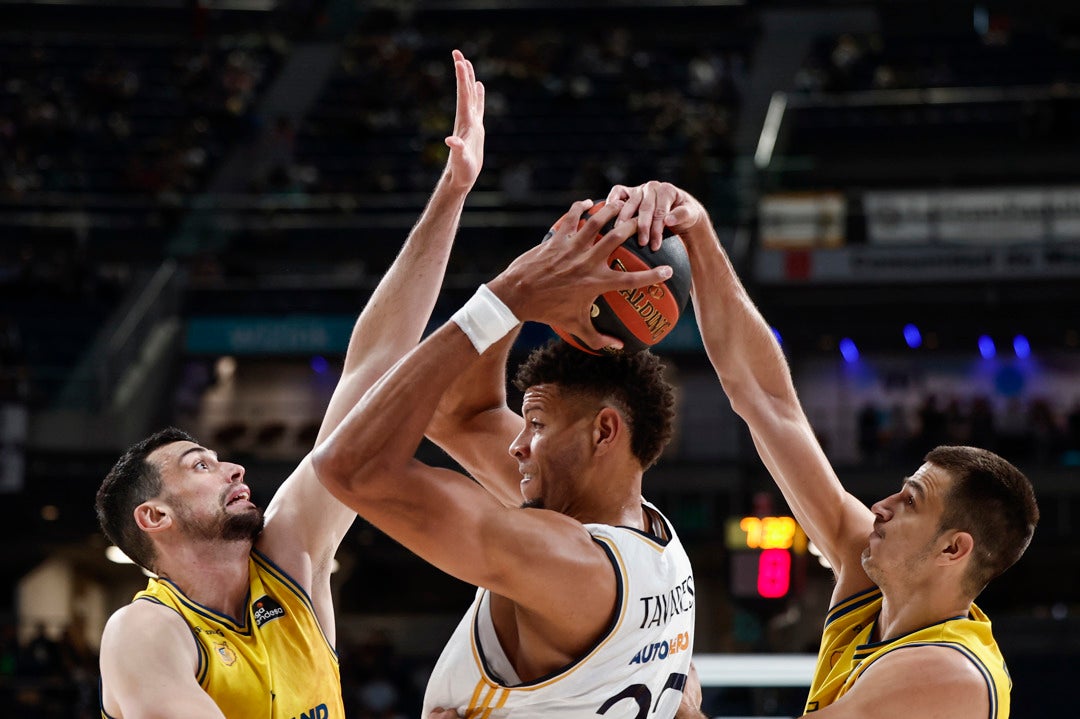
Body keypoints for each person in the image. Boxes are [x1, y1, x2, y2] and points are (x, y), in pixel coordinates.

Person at [94, 49, 486, 719]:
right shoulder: (144, 632)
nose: (232, 466)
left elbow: (370, 370)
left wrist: (452, 193)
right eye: (200, 465)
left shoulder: (291, 552)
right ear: (154, 516)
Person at [606, 181, 1040, 718]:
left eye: (911, 501)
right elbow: (764, 397)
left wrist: (678, 701)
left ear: (954, 549)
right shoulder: (867, 577)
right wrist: (697, 231)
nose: (881, 506)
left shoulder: (949, 671)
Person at [312, 198, 697, 718]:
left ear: (604, 432)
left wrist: (508, 298)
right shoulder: (664, 555)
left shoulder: (569, 562)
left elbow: (348, 466)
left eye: (536, 425)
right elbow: (463, 417)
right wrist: (543, 264)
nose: (517, 443)